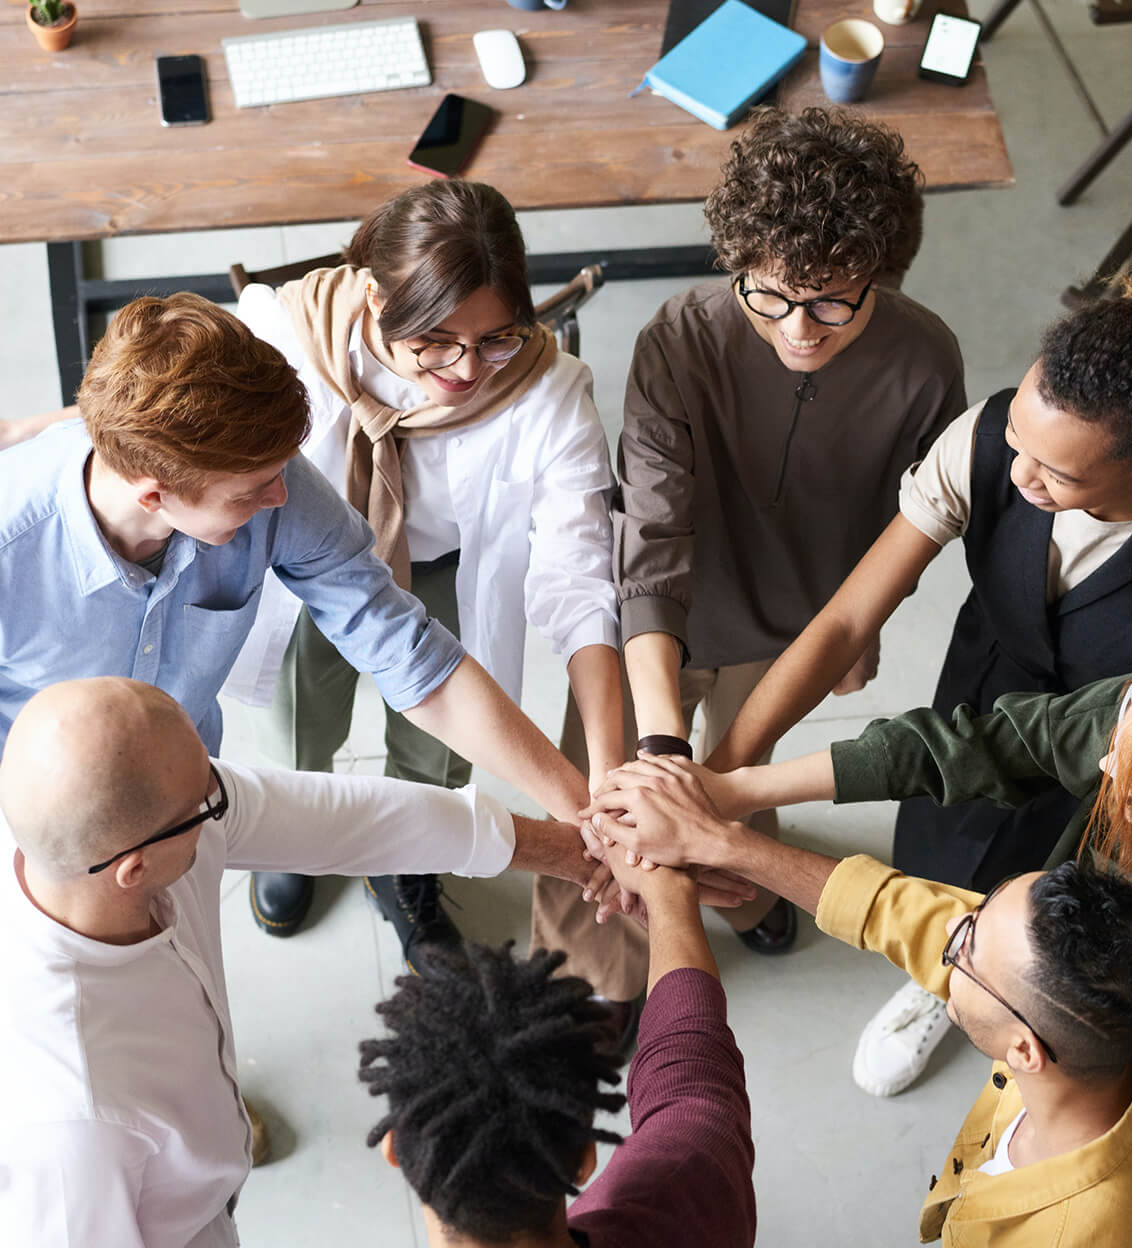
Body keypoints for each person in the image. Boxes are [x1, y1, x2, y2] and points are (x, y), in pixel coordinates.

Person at [704, 233, 1132, 1096]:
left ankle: (1007, 1002)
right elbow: (848, 617)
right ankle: (939, 978)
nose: (1020, 475)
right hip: (979, 691)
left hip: (1107, 763)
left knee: (1050, 911)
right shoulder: (982, 443)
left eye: (1057, 473)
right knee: (938, 842)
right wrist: (724, 771)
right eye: (1018, 442)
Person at [602, 657, 1132, 1248]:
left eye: (965, 948)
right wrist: (724, 836)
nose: (1102, 769)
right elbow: (919, 896)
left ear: (1025, 1052)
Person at [0, 290, 589, 968]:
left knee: (191, 976)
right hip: (36, 836)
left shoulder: (265, 474)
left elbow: (407, 651)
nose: (280, 498)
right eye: (252, 491)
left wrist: (576, 807)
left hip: (188, 801)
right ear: (155, 495)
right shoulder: (12, 545)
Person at [531, 105, 967, 1013]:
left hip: (801, 621)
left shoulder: (926, 360)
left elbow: (907, 529)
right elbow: (650, 545)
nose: (800, 327)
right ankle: (594, 976)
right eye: (766, 294)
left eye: (833, 300)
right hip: (662, 626)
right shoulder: (678, 340)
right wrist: (659, 751)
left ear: (880, 272)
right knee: (610, 793)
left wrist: (852, 639)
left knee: (744, 779)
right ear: (736, 262)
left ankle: (746, 890)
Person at [0, 676, 603, 1248]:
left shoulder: (125, 831)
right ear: (135, 868)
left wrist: (573, 853)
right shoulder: (73, 1127)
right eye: (206, 802)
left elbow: (352, 819)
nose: (222, 799)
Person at [230, 178, 623, 956]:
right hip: (304, 560)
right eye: (436, 341)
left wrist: (603, 777)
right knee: (301, 713)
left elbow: (579, 576)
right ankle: (299, 835)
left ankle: (408, 858)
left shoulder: (550, 391)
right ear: (377, 300)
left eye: (495, 338)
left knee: (442, 745)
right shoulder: (283, 331)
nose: (468, 370)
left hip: (444, 565)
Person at [358, 837, 755, 1248]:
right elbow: (693, 1074)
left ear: (394, 1148)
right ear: (585, 1158)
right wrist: (670, 898)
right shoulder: (692, 1182)